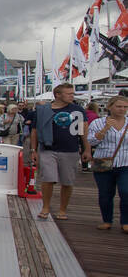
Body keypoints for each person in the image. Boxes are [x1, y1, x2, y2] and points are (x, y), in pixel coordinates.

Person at [30, 82, 87, 220]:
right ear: (57, 95)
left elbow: (83, 130)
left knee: (67, 182)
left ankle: (62, 209)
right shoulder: (43, 110)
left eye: (72, 93)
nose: (72, 96)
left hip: (70, 149)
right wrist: (33, 150)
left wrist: (87, 149)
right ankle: (46, 207)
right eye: (69, 94)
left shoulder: (77, 110)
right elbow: (35, 131)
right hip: (48, 149)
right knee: (48, 178)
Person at [87, 95, 128, 232]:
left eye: (125, 107)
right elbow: (92, 141)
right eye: (119, 106)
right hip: (103, 162)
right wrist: (104, 129)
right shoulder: (98, 123)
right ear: (110, 107)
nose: (122, 109)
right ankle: (107, 220)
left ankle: (125, 222)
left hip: (125, 163)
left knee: (126, 191)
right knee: (105, 193)